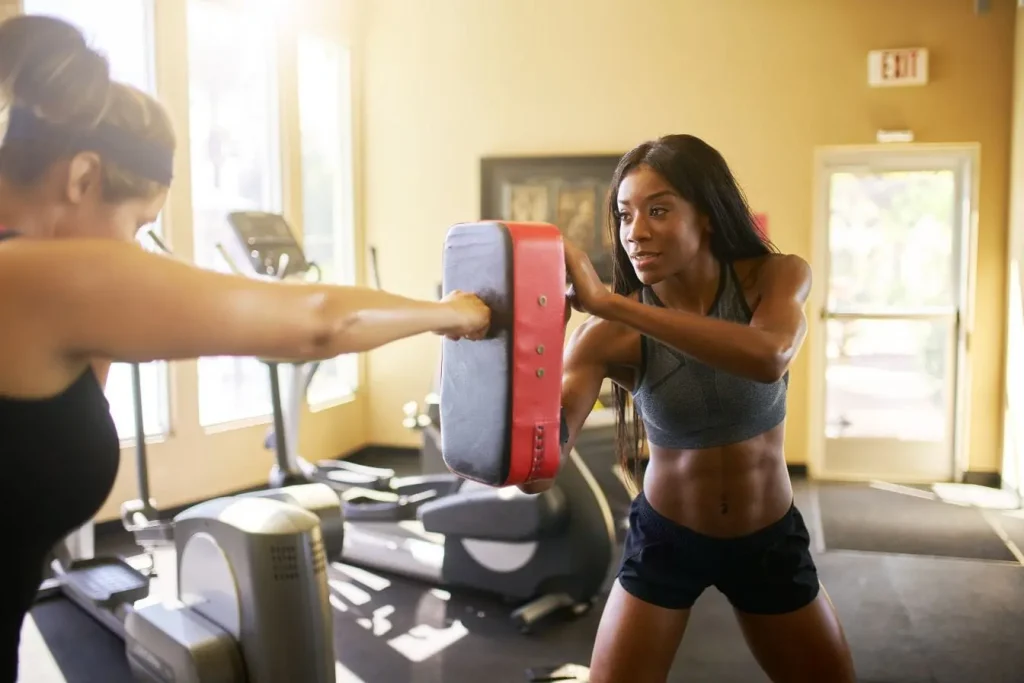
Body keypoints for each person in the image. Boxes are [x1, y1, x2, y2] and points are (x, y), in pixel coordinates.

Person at [0, 15, 490, 681]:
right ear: (82, 177)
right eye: (139, 224)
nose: (137, 250)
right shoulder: (34, 277)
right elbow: (317, 322)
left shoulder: (31, 287)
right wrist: (458, 312)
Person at [526, 134, 857, 682]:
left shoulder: (772, 278)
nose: (635, 232)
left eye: (658, 210)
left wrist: (611, 305)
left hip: (768, 538)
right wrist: (523, 350)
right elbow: (540, 473)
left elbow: (768, 356)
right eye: (625, 214)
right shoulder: (604, 336)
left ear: (706, 215)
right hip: (668, 540)